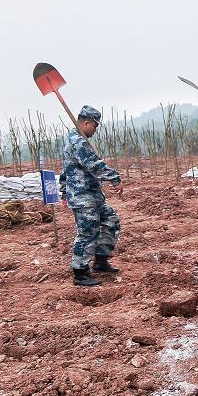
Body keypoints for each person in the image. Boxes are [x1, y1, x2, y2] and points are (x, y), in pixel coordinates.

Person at [59, 106, 123, 286]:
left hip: (93, 194)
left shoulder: (80, 139)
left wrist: (63, 190)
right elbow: (94, 165)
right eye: (95, 126)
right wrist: (114, 178)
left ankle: (101, 260)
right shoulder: (77, 141)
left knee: (111, 220)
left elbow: (66, 170)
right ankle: (80, 272)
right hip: (82, 196)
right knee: (87, 232)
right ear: (86, 123)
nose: (96, 130)